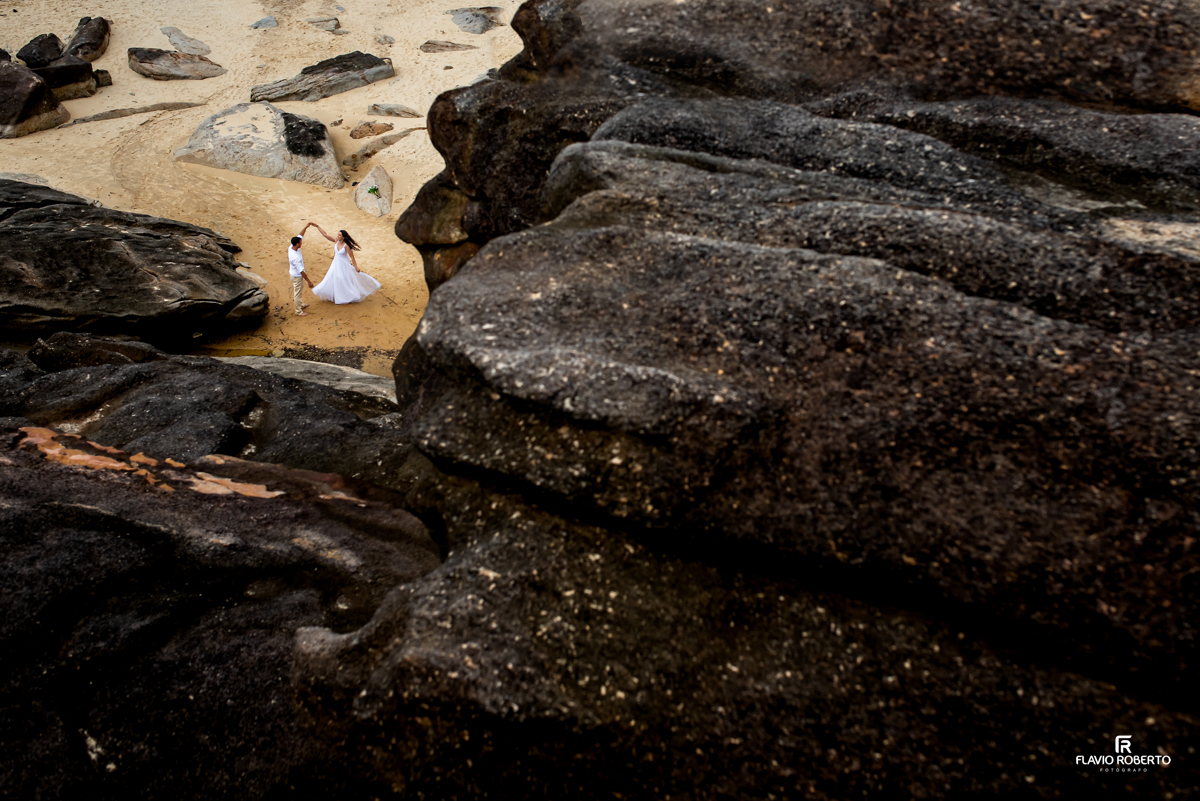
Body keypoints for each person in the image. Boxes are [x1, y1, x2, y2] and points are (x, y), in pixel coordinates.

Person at [309, 224, 382, 304]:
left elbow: (352, 256)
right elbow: (325, 235)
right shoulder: (336, 241)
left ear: (343, 237)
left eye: (339, 235)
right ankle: (335, 294)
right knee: (333, 277)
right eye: (338, 234)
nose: (338, 236)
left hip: (343, 265)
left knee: (343, 279)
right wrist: (317, 226)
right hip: (335, 264)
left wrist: (356, 267)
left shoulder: (346, 246)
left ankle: (346, 295)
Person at [287, 224, 315, 316]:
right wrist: (309, 281)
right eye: (300, 242)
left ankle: (300, 304)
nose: (301, 242)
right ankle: (298, 311)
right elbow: (301, 271)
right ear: (297, 244)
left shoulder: (291, 247)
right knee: (297, 294)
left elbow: (300, 235)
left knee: (299, 292)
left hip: (294, 274)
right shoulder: (295, 258)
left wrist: (306, 226)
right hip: (297, 276)